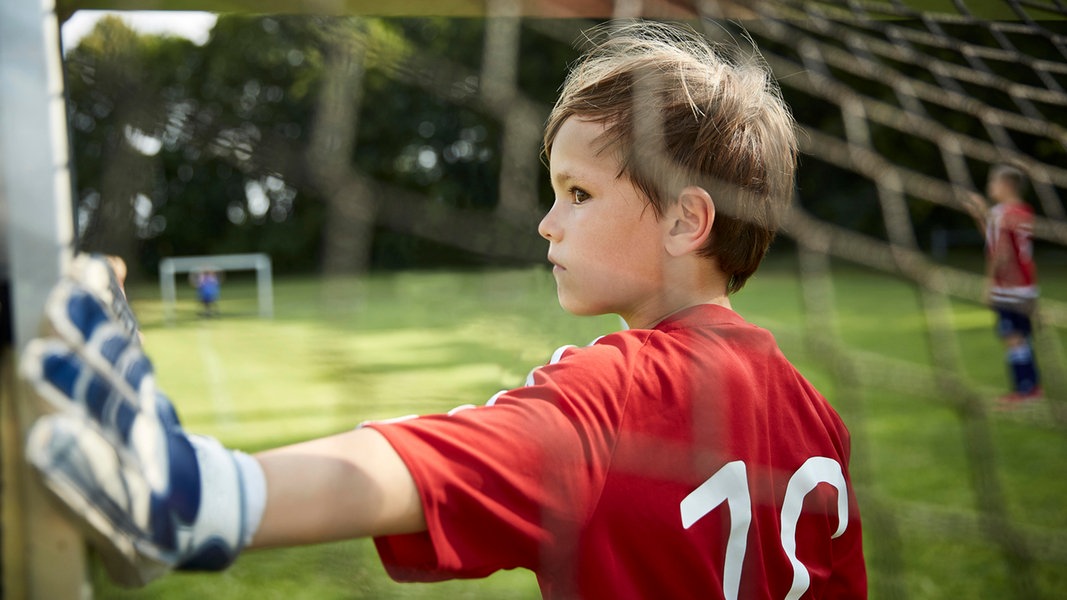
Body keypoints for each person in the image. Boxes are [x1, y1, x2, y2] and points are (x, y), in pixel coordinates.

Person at [20, 22, 867, 599]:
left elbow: (431, 463)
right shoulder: (815, 415)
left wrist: (208, 493)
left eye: (577, 192)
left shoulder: (619, 391)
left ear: (689, 218)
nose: (547, 221)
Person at [966, 164, 1042, 404]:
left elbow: (998, 252)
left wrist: (989, 283)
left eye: (993, 182)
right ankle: (1032, 387)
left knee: (1012, 337)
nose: (990, 187)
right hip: (1027, 285)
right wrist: (980, 216)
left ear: (1006, 185)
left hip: (1008, 286)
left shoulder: (1002, 213)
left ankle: (1024, 390)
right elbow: (993, 238)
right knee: (1022, 337)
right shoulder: (1023, 211)